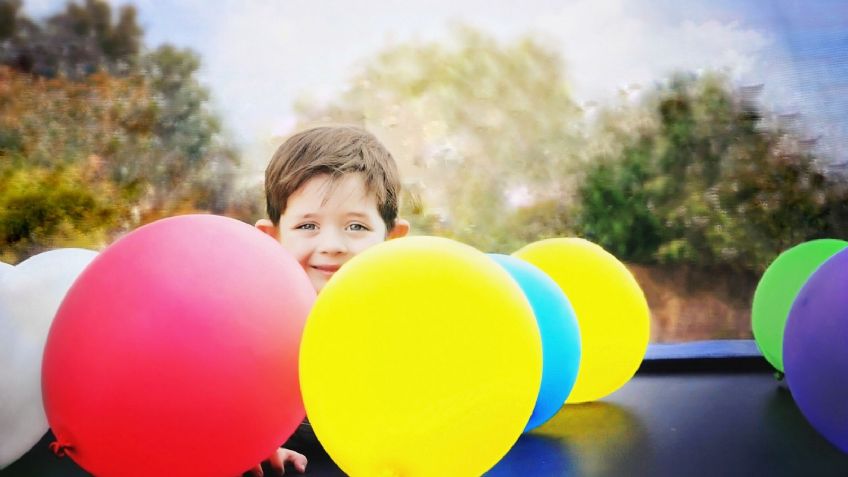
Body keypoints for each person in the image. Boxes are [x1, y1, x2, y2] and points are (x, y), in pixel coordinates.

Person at [249, 125, 410, 476]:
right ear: (271, 238)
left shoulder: (404, 328)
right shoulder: (251, 328)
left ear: (393, 239)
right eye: (308, 226)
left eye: (356, 227)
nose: (333, 245)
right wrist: (252, 442)